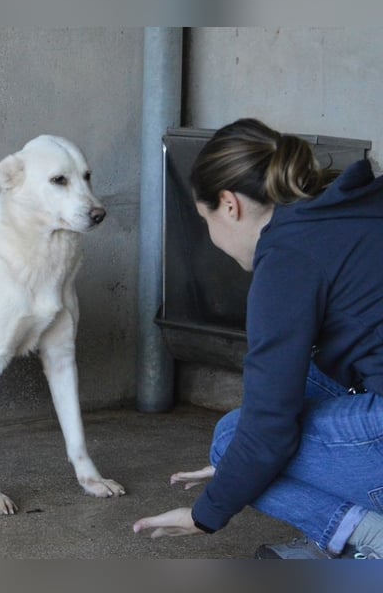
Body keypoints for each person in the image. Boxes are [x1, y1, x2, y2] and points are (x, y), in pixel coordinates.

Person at [133, 118, 383, 559]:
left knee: (234, 439)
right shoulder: (354, 203)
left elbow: (267, 431)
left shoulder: (288, 258)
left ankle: (371, 538)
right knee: (293, 385)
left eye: (205, 218)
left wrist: (207, 510)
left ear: (229, 205)